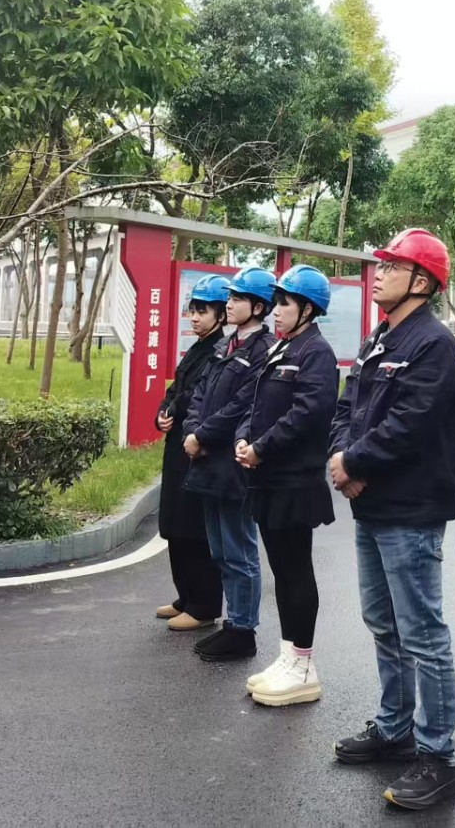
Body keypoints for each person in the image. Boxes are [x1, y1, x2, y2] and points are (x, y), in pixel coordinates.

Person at [328, 228, 455, 810]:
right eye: (381, 264)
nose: (379, 273)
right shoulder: (377, 337)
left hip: (410, 509)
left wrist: (354, 463)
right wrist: (340, 457)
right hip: (371, 503)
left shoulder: (436, 344)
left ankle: (437, 755)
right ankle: (395, 727)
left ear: (422, 282)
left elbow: (409, 423)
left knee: (422, 633)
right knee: (383, 623)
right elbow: (346, 407)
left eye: (392, 266)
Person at [236, 264, 339, 707]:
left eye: (284, 303)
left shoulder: (317, 353)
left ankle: (303, 665)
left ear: (307, 310)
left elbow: (307, 414)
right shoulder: (284, 348)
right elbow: (256, 405)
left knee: (296, 571)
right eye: (275, 302)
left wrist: (261, 448)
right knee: (282, 572)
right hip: (269, 478)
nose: (275, 310)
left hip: (294, 481)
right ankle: (287, 655)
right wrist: (244, 439)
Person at [182, 265, 274, 663]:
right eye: (230, 297)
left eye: (237, 299)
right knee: (219, 549)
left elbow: (243, 404)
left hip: (232, 462)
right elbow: (200, 393)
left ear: (258, 306)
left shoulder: (264, 350)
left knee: (240, 550)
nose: (230, 304)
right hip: (206, 461)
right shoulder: (225, 345)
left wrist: (202, 436)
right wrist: (192, 431)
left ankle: (243, 629)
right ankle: (232, 622)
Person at [153, 273, 231, 632]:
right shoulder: (197, 348)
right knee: (175, 523)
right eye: (193, 310)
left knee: (195, 527)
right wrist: (162, 413)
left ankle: (204, 605)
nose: (195, 317)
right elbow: (175, 389)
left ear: (221, 315)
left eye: (203, 311)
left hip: (199, 449)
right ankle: (185, 596)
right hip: (178, 447)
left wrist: (176, 408)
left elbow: (203, 397)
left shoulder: (219, 351)